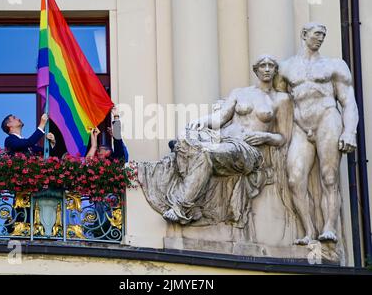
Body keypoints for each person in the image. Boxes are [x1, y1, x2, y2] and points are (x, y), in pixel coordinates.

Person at [138, 55, 294, 235]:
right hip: (223, 140)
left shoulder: (281, 100)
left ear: (275, 70)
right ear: (256, 69)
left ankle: (181, 206)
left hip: (247, 150)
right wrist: (200, 122)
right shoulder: (240, 93)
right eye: (263, 65)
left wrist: (265, 136)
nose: (266, 69)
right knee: (187, 143)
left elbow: (283, 137)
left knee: (204, 152)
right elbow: (220, 118)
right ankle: (190, 197)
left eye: (271, 66)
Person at [279, 23, 359, 245]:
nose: (320, 38)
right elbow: (277, 99)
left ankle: (329, 227)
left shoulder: (334, 66)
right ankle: (308, 230)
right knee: (295, 178)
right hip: (300, 125)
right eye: (317, 34)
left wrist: (350, 131)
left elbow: (348, 102)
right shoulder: (285, 68)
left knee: (329, 176)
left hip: (327, 119)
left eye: (324, 35)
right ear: (304, 34)